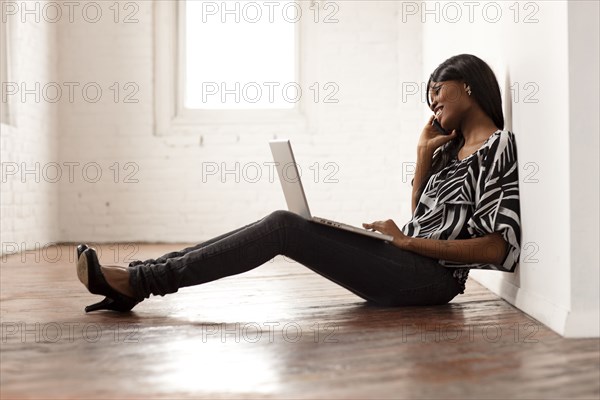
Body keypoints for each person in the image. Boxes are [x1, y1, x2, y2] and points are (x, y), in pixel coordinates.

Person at [76, 54, 521, 313]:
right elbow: (421, 216)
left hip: (433, 282)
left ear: (465, 85)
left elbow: (498, 249)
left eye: (437, 92)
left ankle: (140, 282)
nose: (432, 104)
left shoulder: (498, 148)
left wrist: (406, 245)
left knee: (285, 226)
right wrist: (423, 156)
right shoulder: (449, 150)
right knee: (286, 222)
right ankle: (140, 278)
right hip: (406, 260)